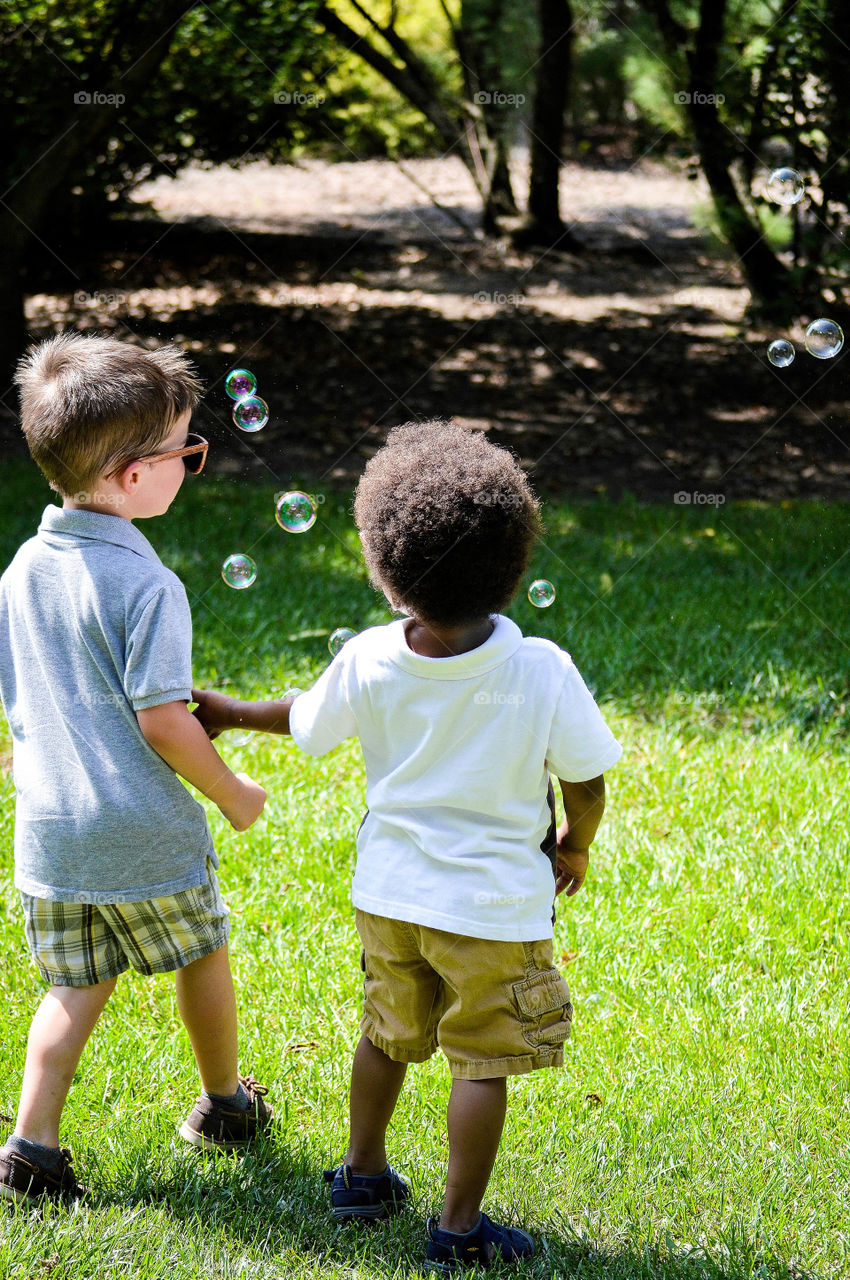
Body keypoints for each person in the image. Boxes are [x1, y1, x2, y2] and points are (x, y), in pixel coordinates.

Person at [192, 420, 622, 1272]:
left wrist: (236, 713)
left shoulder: (369, 658)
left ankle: (361, 1173)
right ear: (514, 561)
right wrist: (575, 846)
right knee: (482, 1062)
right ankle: (458, 1229)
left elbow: (307, 723)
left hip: (388, 898)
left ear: (388, 575)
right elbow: (587, 779)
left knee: (385, 1034)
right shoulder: (540, 667)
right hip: (493, 912)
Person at [0, 334, 271, 1207]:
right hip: (144, 831)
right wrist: (231, 792)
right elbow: (163, 722)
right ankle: (226, 1106)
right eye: (185, 453)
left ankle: (30, 1149)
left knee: (74, 986)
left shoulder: (19, 572)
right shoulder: (151, 587)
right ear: (129, 476)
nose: (191, 467)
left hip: (50, 835)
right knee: (202, 950)